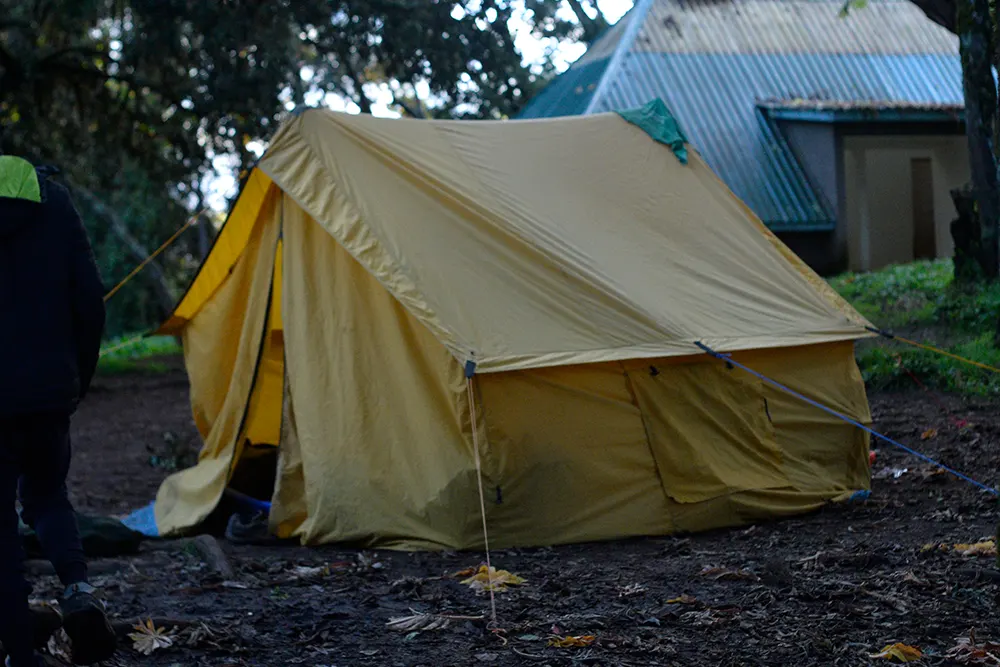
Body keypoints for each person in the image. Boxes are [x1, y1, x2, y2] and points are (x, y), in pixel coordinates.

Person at [0, 154, 117, 666]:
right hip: (48, 390)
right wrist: (76, 378)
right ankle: (77, 591)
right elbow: (90, 298)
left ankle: (19, 647)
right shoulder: (53, 200)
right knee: (47, 494)